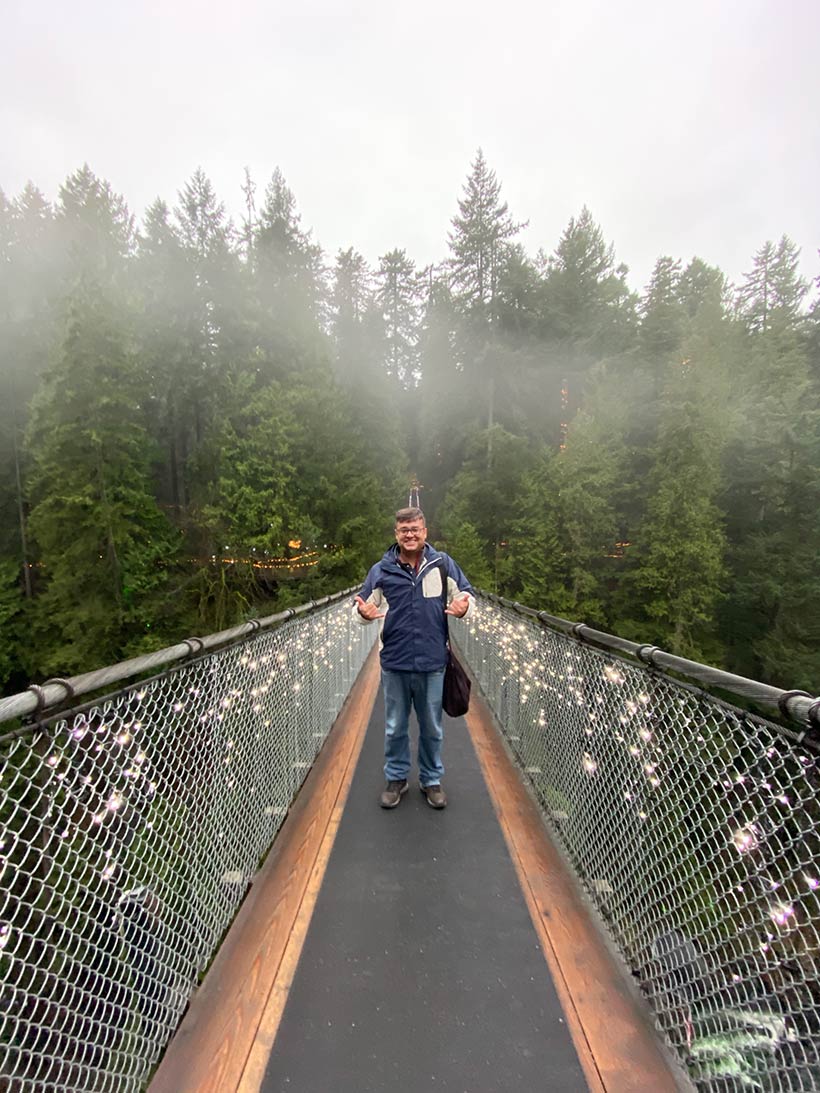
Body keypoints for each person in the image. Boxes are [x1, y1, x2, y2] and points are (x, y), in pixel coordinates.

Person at [355, 507, 473, 810]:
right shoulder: (381, 570)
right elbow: (363, 607)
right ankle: (396, 778)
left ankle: (431, 779)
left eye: (415, 529)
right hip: (394, 662)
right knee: (395, 725)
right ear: (396, 534)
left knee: (432, 725)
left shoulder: (442, 564)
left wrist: (465, 608)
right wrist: (362, 614)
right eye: (404, 530)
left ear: (425, 532)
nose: (410, 534)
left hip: (433, 662)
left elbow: (466, 596)